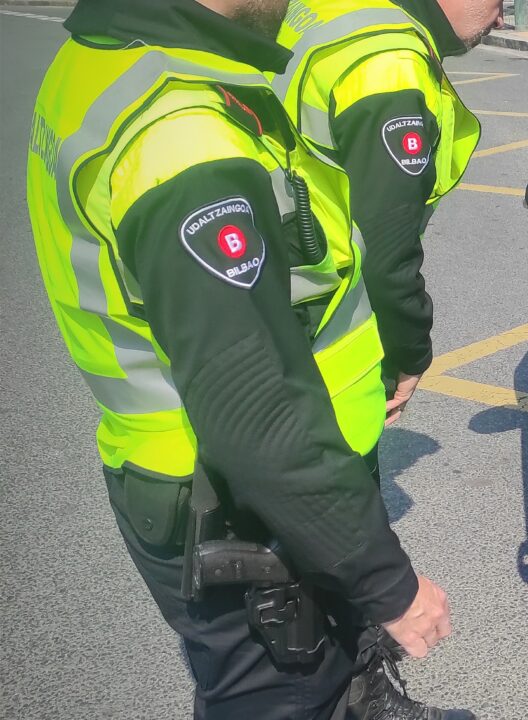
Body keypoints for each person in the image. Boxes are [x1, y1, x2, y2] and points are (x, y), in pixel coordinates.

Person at [26, 0, 465, 718]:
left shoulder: (111, 59)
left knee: (297, 681)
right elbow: (253, 411)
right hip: (228, 501)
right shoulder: (183, 144)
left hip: (187, 475)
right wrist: (390, 585)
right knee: (282, 700)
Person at [272, 0, 498, 425]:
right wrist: (409, 351)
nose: (501, 17)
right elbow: (386, 251)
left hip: (274, 285)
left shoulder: (324, 11)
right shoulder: (388, 64)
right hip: (326, 325)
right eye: (499, 1)